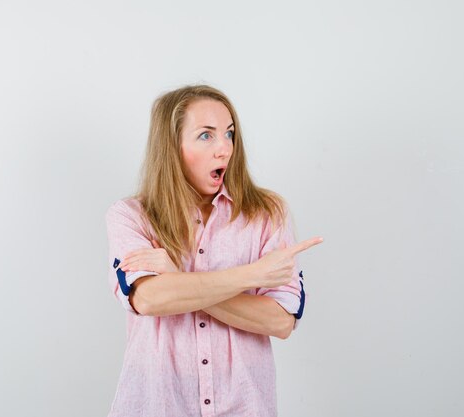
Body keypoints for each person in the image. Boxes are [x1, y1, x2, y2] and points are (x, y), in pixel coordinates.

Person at [105, 84, 322, 417]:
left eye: (229, 134)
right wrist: (253, 275)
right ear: (171, 147)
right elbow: (149, 299)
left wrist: (178, 278)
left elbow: (280, 321)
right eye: (206, 136)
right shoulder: (131, 216)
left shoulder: (266, 214)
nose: (225, 149)